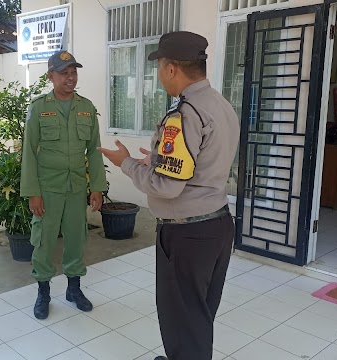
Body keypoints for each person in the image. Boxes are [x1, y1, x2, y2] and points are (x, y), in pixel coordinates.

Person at [98, 31, 240, 360]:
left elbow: (167, 186)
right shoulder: (220, 104)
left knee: (182, 318)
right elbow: (200, 162)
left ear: (172, 68)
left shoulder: (185, 114)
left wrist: (128, 164)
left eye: (160, 66)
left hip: (187, 233)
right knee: (198, 313)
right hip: (217, 225)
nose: (159, 74)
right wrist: (157, 160)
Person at [20, 50, 108, 320]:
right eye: (64, 73)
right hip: (47, 188)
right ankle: (43, 292)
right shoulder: (38, 108)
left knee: (76, 238)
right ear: (51, 76)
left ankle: (73, 289)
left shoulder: (86, 107)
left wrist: (96, 187)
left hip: (75, 188)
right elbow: (29, 153)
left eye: (73, 72)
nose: (70, 78)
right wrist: (33, 193)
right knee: (44, 241)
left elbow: (94, 150)